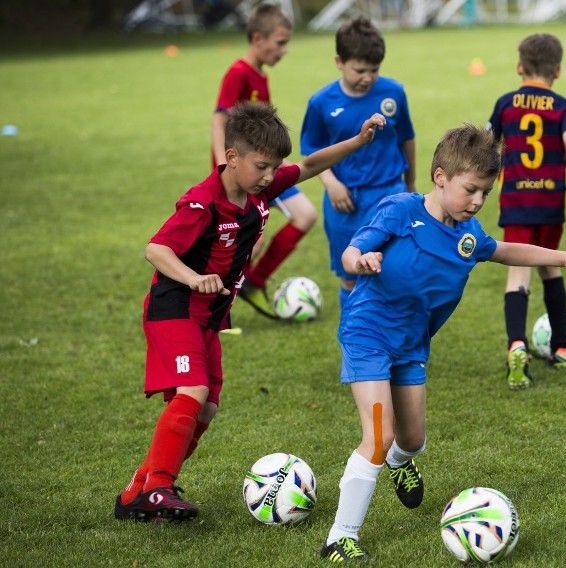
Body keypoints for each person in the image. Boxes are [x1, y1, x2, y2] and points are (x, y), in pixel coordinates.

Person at [318, 124, 566, 562]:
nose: (478, 201)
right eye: (470, 190)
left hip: (411, 345)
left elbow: (503, 250)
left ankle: (401, 463)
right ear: (440, 176)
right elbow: (353, 250)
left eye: (486, 192)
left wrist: (560, 256)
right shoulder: (401, 210)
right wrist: (362, 260)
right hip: (368, 333)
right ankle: (340, 536)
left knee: (412, 440)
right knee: (378, 435)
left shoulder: (468, 236)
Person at [114, 101, 386, 522]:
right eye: (261, 166)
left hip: (208, 317)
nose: (269, 176)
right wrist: (193, 278)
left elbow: (311, 165)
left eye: (274, 167)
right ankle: (159, 488)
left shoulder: (262, 188)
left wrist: (359, 140)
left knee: (206, 410)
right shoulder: (202, 203)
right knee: (193, 394)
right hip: (176, 309)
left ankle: (137, 491)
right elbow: (156, 249)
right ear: (231, 157)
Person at [485, 33, 566, 390]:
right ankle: (561, 348)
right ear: (557, 69)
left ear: (519, 67)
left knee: (517, 274)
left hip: (515, 200)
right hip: (550, 202)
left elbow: (487, 144)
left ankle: (517, 346)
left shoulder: (505, 104)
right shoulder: (564, 105)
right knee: (550, 265)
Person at [300, 16, 416, 310]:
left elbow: (407, 138)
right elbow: (312, 151)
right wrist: (332, 183)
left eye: (374, 70)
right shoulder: (321, 102)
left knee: (395, 273)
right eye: (360, 70)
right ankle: (355, 344)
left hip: (390, 193)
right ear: (339, 61)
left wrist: (411, 184)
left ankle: (394, 343)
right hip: (345, 202)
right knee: (351, 276)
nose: (368, 77)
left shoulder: (394, 92)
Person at [211, 3, 318, 318]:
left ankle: (254, 281)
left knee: (304, 215)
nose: (284, 50)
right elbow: (219, 122)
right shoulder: (238, 73)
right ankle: (217, 312)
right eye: (280, 42)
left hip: (265, 171)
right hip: (240, 172)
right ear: (258, 39)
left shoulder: (260, 75)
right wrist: (222, 167)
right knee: (240, 244)